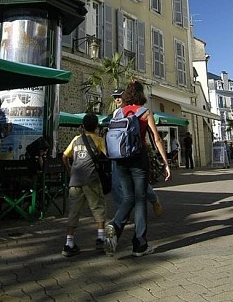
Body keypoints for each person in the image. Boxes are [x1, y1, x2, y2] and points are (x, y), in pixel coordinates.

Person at [105, 80, 171, 257]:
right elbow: (156, 139)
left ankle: (115, 225)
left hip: (120, 158)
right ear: (141, 94)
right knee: (140, 199)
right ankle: (140, 245)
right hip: (138, 159)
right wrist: (165, 163)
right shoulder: (144, 113)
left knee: (128, 197)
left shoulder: (118, 112)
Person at [109, 88, 163, 218]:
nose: (117, 99)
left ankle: (153, 199)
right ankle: (121, 214)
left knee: (140, 185)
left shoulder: (137, 111)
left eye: (119, 96)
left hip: (135, 151)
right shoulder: (117, 113)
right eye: (115, 97)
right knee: (117, 186)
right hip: (118, 153)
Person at [61, 112, 107, 257]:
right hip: (91, 180)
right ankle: (100, 238)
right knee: (98, 208)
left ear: (82, 126)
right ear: (96, 126)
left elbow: (64, 156)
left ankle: (69, 243)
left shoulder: (76, 139)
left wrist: (70, 171)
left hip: (75, 180)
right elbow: (108, 155)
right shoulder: (99, 140)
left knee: (73, 211)